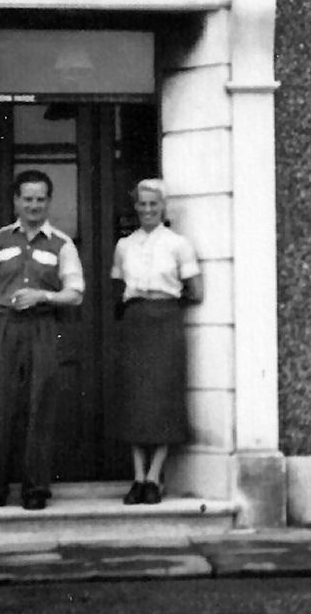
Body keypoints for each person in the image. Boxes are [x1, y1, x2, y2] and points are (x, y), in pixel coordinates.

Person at [0, 169, 85, 510]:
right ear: (16, 201)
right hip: (2, 327)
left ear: (49, 202)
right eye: (27, 198)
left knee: (40, 406)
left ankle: (35, 490)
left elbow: (76, 293)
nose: (34, 205)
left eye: (40, 199)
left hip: (43, 328)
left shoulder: (62, 244)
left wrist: (43, 297)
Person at [111, 178, 203, 506]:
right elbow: (116, 289)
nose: (147, 210)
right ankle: (138, 477)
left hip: (166, 321)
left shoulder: (179, 244)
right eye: (142, 204)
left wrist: (164, 305)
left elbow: (196, 291)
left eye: (154, 204)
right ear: (135, 207)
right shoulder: (124, 245)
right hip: (135, 323)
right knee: (135, 398)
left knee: (164, 395)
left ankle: (155, 477)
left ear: (163, 207)